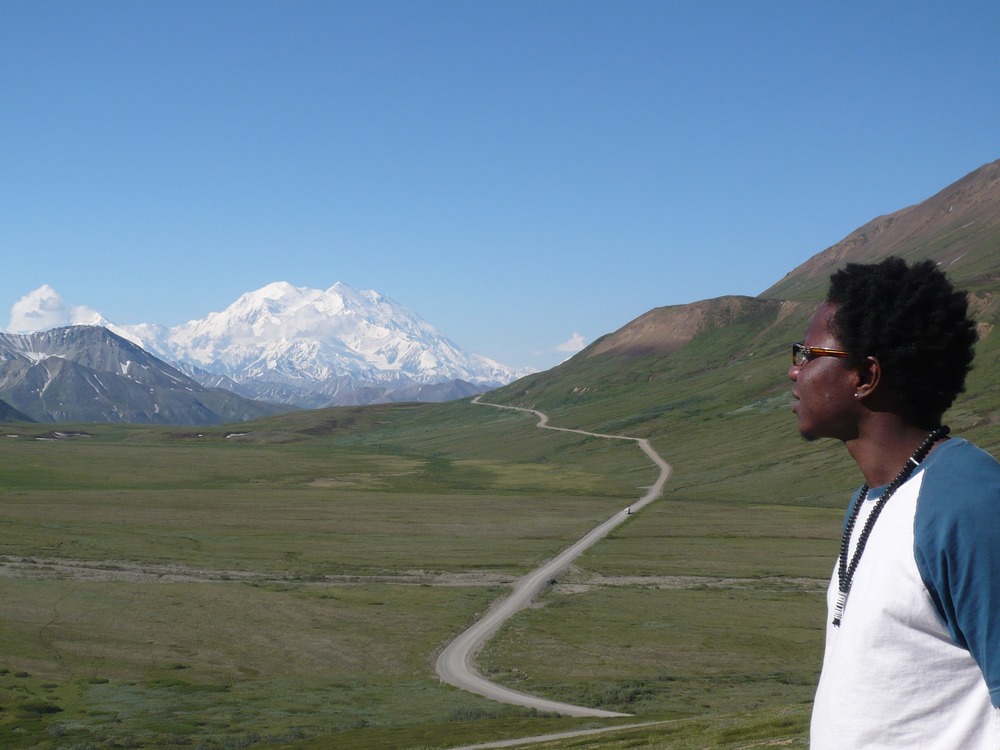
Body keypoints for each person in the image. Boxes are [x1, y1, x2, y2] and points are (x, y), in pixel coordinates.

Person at [788, 256, 1000, 748]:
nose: (794, 372)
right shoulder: (874, 497)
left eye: (807, 353)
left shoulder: (967, 504)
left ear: (865, 376)